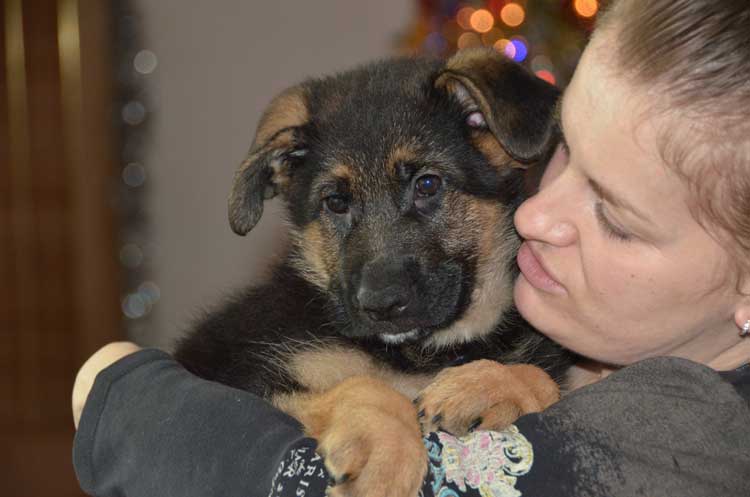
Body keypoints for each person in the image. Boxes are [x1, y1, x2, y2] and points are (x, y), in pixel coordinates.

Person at [71, 1, 750, 496]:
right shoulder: (571, 338)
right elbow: (220, 381)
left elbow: (181, 435)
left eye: (427, 188)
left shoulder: (687, 438)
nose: (536, 210)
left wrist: (116, 384)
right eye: (337, 204)